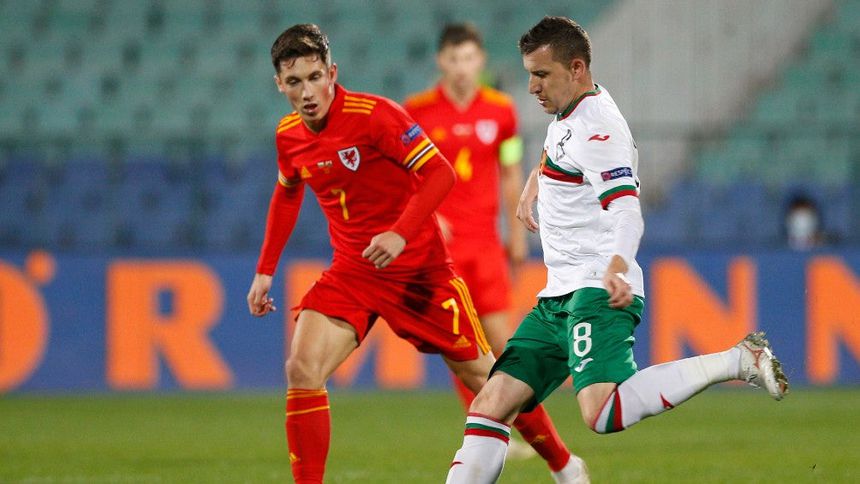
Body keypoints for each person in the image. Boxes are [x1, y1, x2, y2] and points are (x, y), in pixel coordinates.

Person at [445, 16, 790, 483]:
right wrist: (534, 180)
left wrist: (617, 265)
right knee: (490, 403)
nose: (532, 87)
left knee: (601, 411)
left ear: (576, 68)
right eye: (529, 74)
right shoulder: (572, 108)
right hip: (558, 296)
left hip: (595, 286)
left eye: (541, 74)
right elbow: (563, 149)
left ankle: (737, 360)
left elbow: (627, 210)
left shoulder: (598, 131)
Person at [245, 24, 586, 484]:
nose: (307, 93)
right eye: (294, 82)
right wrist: (265, 270)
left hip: (419, 272)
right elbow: (287, 192)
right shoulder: (289, 135)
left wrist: (400, 234)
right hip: (353, 272)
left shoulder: (376, 115)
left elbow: (440, 173)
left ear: (332, 73)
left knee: (488, 377)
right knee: (301, 368)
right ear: (278, 84)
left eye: (314, 77)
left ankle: (564, 464)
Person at [403, 22, 536, 461]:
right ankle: (488, 434)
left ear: (480, 61)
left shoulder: (502, 111)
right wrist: (426, 214)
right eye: (453, 58)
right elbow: (401, 173)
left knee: (502, 344)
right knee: (462, 347)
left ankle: (503, 428)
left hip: (486, 247)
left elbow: (511, 172)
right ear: (441, 61)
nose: (461, 67)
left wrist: (516, 235)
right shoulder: (417, 111)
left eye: (468, 58)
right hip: (441, 251)